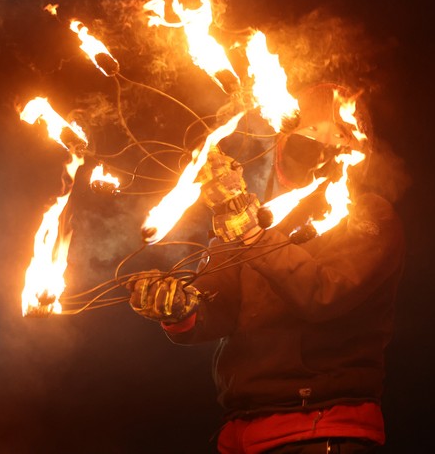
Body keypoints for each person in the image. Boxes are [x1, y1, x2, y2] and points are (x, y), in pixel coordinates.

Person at [127, 84, 405, 453]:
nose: (321, 142)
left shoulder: (368, 215)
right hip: (243, 432)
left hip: (321, 428)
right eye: (310, 129)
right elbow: (219, 306)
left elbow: (322, 294)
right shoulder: (256, 216)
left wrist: (252, 234)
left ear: (357, 146)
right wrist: (181, 308)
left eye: (337, 132)